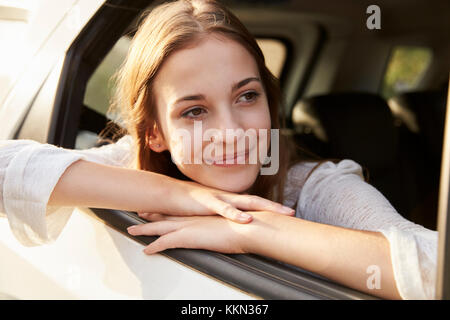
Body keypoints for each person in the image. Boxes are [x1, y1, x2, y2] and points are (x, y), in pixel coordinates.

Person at [0, 0, 437, 300]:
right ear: (155, 134)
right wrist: (178, 195)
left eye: (247, 96)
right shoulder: (129, 164)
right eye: (194, 111)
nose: (230, 133)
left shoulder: (315, 185)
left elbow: (436, 266)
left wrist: (248, 230)